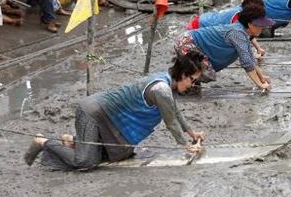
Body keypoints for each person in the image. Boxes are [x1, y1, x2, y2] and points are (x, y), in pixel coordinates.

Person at [23, 52, 206, 170]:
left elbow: (174, 111)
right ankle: (43, 141)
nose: (193, 85)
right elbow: (171, 122)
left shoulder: (167, 83)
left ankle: (72, 141)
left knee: (120, 153)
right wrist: (185, 145)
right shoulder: (161, 89)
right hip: (93, 113)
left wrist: (192, 133)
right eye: (193, 80)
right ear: (182, 75)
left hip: (108, 119)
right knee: (85, 163)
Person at [174, 4, 273, 89]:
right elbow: (247, 64)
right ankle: (178, 81)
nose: (262, 28)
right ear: (250, 24)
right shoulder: (238, 34)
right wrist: (260, 84)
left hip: (191, 42)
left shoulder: (243, 33)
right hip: (186, 42)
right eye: (260, 25)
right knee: (207, 74)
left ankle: (186, 78)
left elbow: (251, 59)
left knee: (203, 72)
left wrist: (262, 78)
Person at [188, 0, 268, 58]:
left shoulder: (242, 11)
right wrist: (251, 55)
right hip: (199, 25)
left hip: (202, 19)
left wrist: (258, 48)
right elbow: (240, 37)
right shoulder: (239, 15)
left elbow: (248, 32)